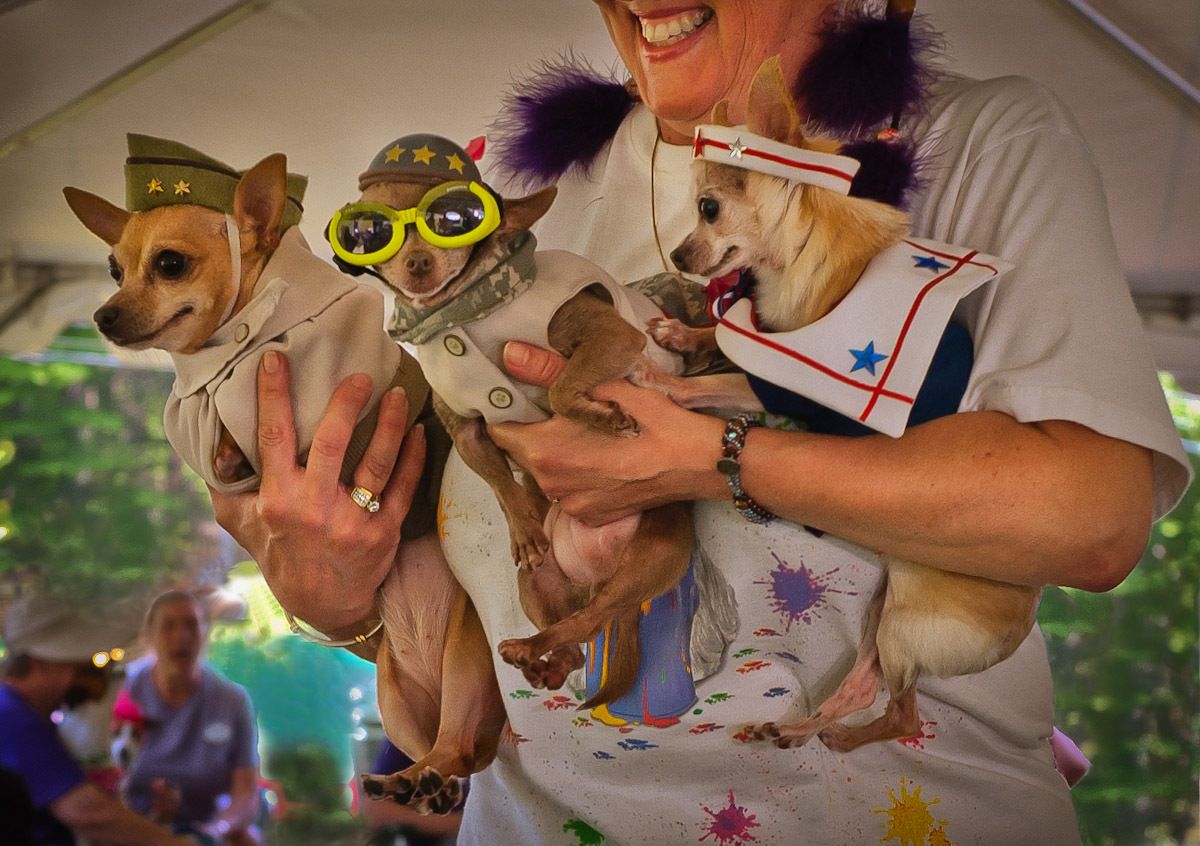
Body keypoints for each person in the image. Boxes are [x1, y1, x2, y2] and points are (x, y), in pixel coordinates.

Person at [211, 0, 1192, 843]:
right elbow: (456, 626)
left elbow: (1091, 516)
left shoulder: (973, 142)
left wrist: (718, 459)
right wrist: (338, 601)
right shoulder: (492, 216)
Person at [0, 593, 196, 846]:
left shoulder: (23, 713)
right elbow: (89, 814)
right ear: (41, 663)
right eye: (77, 666)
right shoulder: (14, 718)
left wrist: (157, 820)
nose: (88, 678)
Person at [119, 590, 261, 846]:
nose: (181, 636)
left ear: (205, 634)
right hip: (131, 829)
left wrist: (214, 831)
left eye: (191, 625)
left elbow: (246, 795)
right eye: (168, 626)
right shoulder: (122, 690)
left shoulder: (233, 700)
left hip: (205, 829)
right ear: (149, 636)